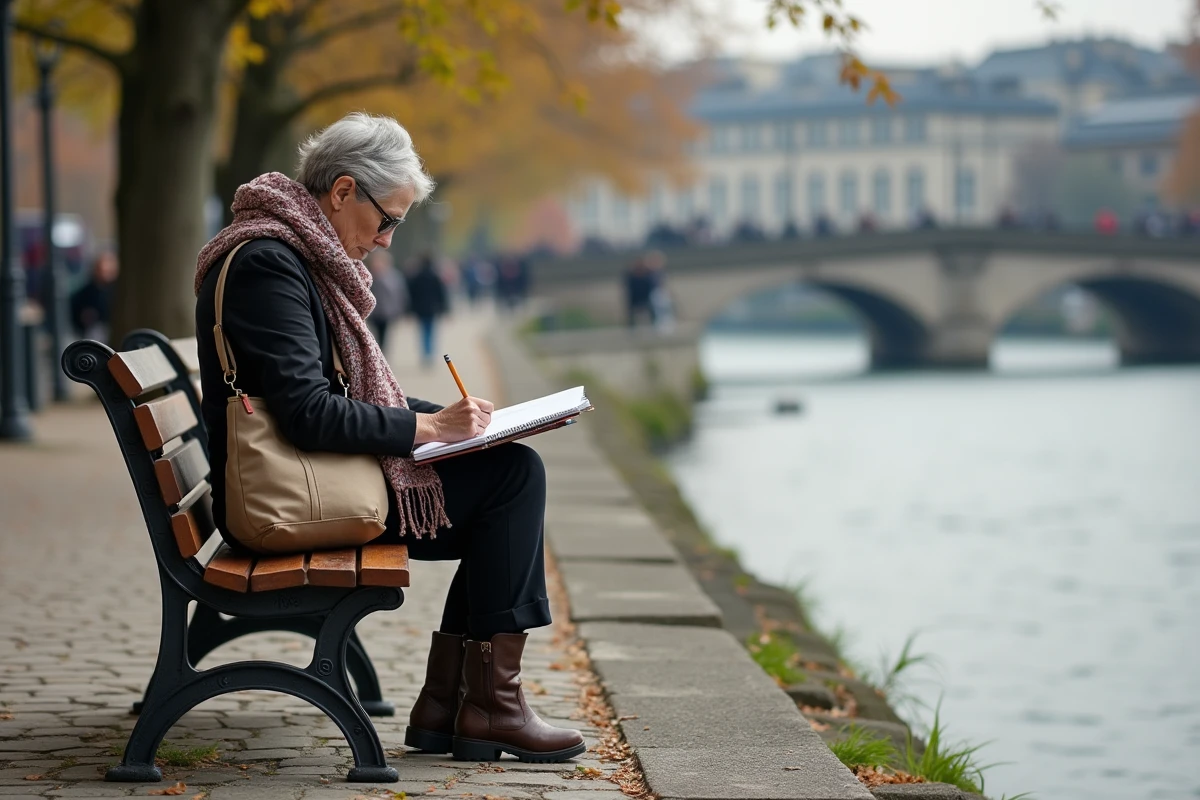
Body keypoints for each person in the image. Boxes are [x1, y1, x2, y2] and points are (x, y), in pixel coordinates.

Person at [193, 112, 584, 763]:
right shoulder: (270, 263)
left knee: (506, 473)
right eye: (387, 220)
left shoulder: (293, 254)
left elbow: (343, 396)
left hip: (313, 475)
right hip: (288, 499)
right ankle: (481, 707)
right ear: (343, 192)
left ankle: (458, 705)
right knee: (513, 482)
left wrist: (458, 425)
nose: (386, 241)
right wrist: (426, 428)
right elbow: (309, 412)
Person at [405, 253, 449, 368]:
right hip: (432, 308)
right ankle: (430, 353)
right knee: (431, 330)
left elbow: (411, 294)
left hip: (420, 309)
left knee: (423, 331)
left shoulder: (416, 277)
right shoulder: (435, 276)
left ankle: (425, 353)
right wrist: (445, 308)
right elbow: (441, 294)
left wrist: (409, 310)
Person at [70, 251, 118, 342]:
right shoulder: (85, 293)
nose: (105, 274)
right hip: (94, 336)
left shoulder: (117, 291)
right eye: (102, 270)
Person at [366, 249, 406, 349]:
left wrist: (399, 310)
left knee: (384, 335)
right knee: (372, 334)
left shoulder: (393, 276)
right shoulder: (369, 275)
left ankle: (381, 351)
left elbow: (399, 294)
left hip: (387, 312)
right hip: (373, 312)